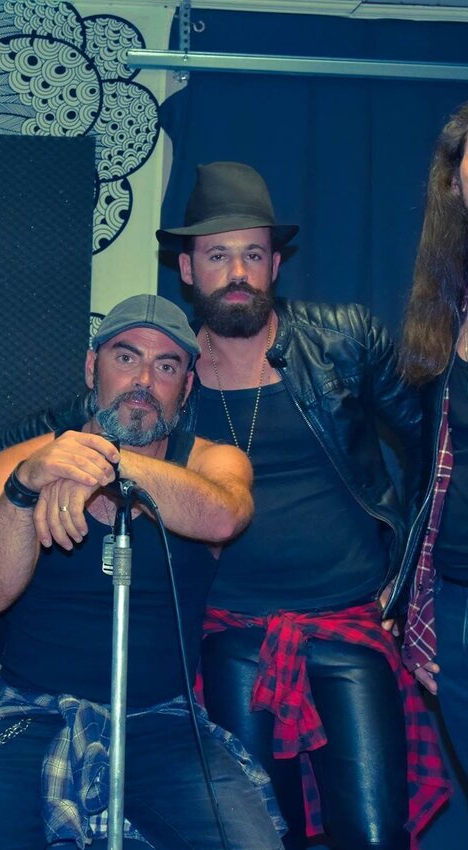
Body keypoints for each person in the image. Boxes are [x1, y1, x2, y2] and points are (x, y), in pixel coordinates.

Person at [0, 294, 286, 850]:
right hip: (29, 716)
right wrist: (25, 487)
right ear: (92, 367)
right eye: (126, 358)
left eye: (166, 367)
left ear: (186, 387)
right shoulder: (20, 464)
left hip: (164, 725)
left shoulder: (212, 461)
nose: (143, 381)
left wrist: (107, 461)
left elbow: (225, 514)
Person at [155, 162, 449, 850]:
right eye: (218, 255)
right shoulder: (167, 369)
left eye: (253, 254)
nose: (238, 272)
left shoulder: (342, 338)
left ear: (275, 265)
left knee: (375, 834)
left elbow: (431, 444)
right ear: (187, 269)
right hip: (228, 630)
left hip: (350, 622)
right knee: (257, 835)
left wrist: (409, 576)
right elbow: (59, 427)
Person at [397, 101, 468, 781]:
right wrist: (418, 605)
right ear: (454, 180)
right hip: (455, 599)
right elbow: (427, 479)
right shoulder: (447, 313)